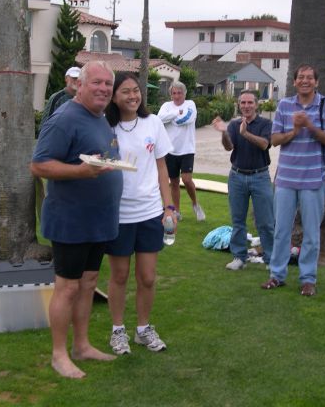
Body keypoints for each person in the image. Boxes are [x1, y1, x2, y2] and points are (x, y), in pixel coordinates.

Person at [30, 61, 123, 379]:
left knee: (88, 284)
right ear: (80, 85)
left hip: (99, 219)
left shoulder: (100, 118)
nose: (103, 89)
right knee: (67, 287)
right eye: (97, 82)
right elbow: (39, 165)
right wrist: (81, 172)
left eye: (108, 84)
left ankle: (82, 346)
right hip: (71, 219)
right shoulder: (64, 118)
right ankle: (59, 355)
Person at [104, 72, 175, 355]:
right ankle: (117, 330)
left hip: (149, 212)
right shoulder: (106, 126)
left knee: (147, 277)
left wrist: (169, 207)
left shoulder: (153, 122)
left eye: (136, 90)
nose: (133, 96)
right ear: (114, 97)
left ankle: (143, 329)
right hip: (119, 214)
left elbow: (161, 167)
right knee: (119, 275)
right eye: (125, 91)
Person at [260, 64, 325, 296]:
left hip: (314, 180)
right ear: (294, 82)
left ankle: (308, 279)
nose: (305, 81)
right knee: (281, 231)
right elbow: (275, 140)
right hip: (285, 179)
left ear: (317, 82)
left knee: (311, 234)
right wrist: (294, 131)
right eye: (301, 77)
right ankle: (277, 275)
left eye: (309, 77)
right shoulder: (284, 105)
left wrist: (308, 125)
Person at [211, 90, 275, 271]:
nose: (246, 106)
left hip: (260, 176)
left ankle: (271, 259)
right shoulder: (234, 124)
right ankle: (239, 257)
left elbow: (264, 144)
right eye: (243, 103)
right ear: (239, 105)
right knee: (238, 220)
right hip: (237, 177)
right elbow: (228, 147)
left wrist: (245, 133)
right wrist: (224, 132)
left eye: (250, 102)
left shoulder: (266, 124)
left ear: (256, 104)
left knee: (265, 222)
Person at [157, 81, 205, 221]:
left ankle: (195, 204)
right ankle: (177, 211)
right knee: (174, 182)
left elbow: (185, 120)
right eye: (174, 93)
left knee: (186, 179)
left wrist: (171, 117)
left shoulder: (190, 104)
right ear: (171, 94)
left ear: (185, 93)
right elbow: (159, 119)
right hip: (170, 150)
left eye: (179, 93)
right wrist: (176, 113)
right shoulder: (166, 106)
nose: (177, 96)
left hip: (187, 149)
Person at [38, 66, 81, 132]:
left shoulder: (85, 99)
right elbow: (46, 122)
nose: (76, 80)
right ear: (66, 79)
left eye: (78, 78)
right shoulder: (56, 98)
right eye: (73, 78)